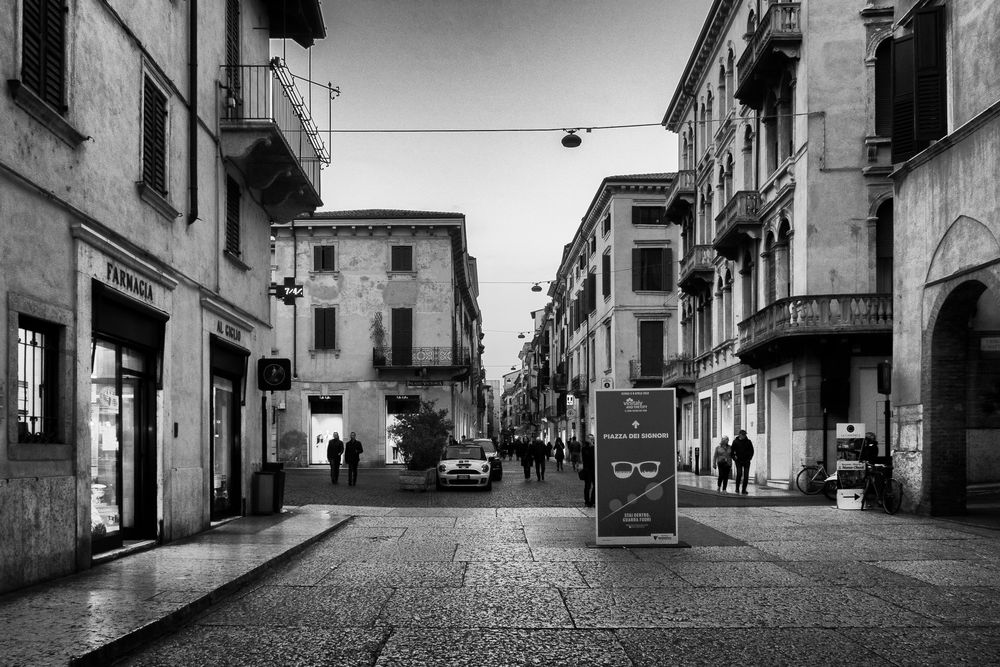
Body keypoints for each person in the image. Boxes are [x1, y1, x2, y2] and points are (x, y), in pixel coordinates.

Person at [731, 429, 754, 495]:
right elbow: (732, 452)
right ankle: (737, 488)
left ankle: (744, 489)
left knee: (746, 476)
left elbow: (752, 451)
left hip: (746, 461)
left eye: (745, 435)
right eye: (743, 435)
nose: (744, 436)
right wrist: (734, 458)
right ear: (740, 435)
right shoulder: (735, 442)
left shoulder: (748, 442)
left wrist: (749, 458)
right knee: (739, 473)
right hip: (738, 461)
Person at [580, 433, 596, 507]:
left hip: (594, 469)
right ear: (587, 439)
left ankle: (593, 500)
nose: (592, 439)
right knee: (587, 486)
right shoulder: (585, 448)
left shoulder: (595, 447)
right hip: (587, 470)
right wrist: (592, 446)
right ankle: (587, 501)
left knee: (595, 486)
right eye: (590, 438)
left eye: (592, 438)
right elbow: (589, 457)